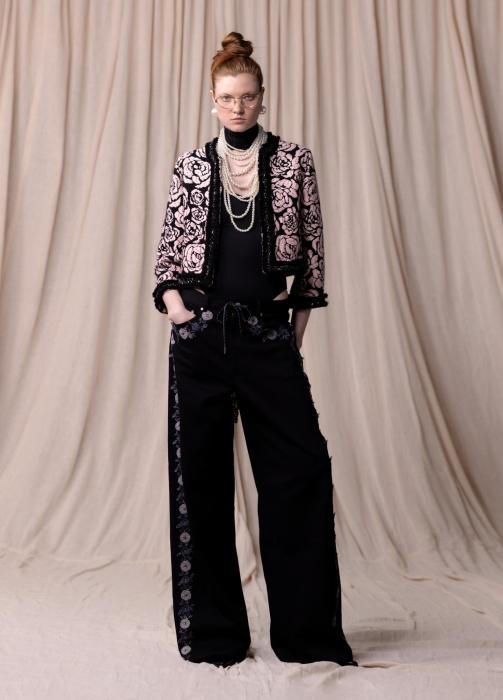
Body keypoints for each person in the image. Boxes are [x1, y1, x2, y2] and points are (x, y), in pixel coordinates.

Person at [153, 31, 357, 668]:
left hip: (267, 338)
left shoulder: (295, 162)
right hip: (201, 338)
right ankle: (216, 636)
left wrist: (294, 331)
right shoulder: (192, 167)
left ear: (262, 98)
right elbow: (166, 258)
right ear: (212, 100)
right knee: (201, 485)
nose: (237, 108)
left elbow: (312, 256)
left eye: (247, 97)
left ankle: (306, 635)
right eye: (226, 98)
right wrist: (180, 313)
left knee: (300, 471)